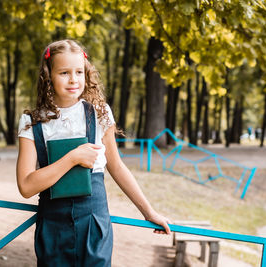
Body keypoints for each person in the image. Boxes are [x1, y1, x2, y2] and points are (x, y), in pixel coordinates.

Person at [16, 39, 171, 267]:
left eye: (79, 72)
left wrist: (148, 212)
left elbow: (116, 166)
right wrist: (73, 158)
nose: (73, 80)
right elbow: (26, 186)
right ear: (48, 75)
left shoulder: (99, 113)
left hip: (94, 222)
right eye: (64, 72)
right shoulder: (32, 122)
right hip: (53, 226)